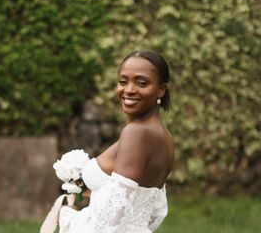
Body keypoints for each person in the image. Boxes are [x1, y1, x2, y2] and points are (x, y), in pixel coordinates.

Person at [58, 50, 174, 232]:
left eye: (141, 83)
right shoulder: (163, 136)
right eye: (123, 81)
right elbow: (154, 213)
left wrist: (69, 216)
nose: (128, 89)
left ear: (160, 89)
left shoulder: (136, 133)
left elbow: (114, 215)